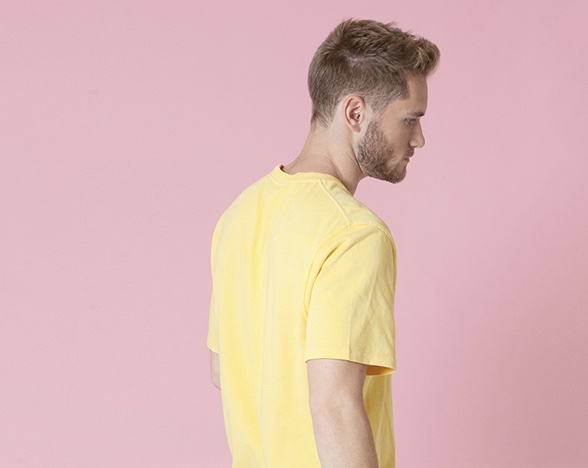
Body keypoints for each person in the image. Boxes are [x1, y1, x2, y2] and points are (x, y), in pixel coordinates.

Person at [207, 18, 440, 468]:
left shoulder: (239, 214)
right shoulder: (354, 234)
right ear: (355, 113)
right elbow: (334, 403)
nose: (419, 139)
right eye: (410, 119)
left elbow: (223, 371)